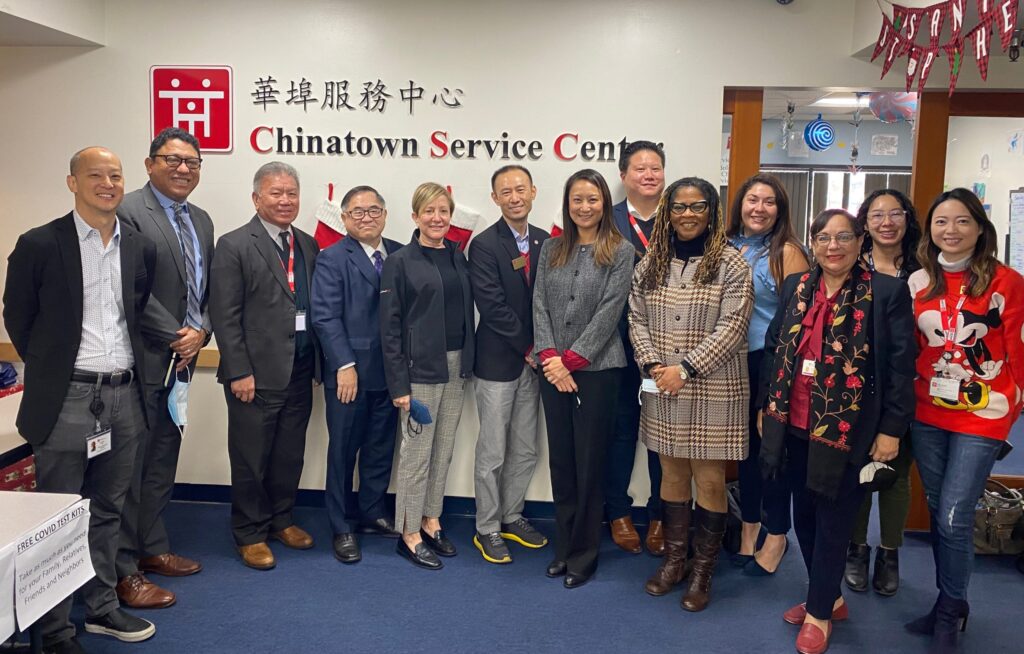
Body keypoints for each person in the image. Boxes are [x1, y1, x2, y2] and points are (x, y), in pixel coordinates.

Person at [3, 147, 157, 653]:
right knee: (58, 515)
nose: (108, 183)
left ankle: (100, 606)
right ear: (72, 182)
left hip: (123, 396)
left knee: (109, 509)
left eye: (115, 175)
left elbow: (132, 314)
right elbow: (19, 317)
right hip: (68, 396)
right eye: (96, 175)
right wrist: (53, 372)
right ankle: (53, 630)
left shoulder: (137, 246)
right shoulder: (40, 243)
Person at [760, 208, 915, 654]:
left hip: (850, 429)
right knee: (802, 518)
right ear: (813, 242)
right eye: (824, 237)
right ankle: (829, 596)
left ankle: (819, 614)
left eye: (843, 237)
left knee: (833, 521)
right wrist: (765, 408)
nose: (833, 246)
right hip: (792, 422)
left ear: (859, 240)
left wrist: (891, 430)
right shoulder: (797, 287)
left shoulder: (886, 292)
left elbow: (900, 369)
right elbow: (775, 347)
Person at [905, 188, 1024, 653]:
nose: (950, 231)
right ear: (930, 229)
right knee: (940, 509)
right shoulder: (919, 282)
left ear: (980, 228)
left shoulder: (1006, 282)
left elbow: (1016, 347)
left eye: (961, 222)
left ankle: (951, 610)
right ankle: (948, 601)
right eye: (940, 222)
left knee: (955, 514)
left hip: (984, 410)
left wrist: (1013, 400)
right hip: (927, 409)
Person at [630, 177, 753, 612]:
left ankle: (703, 570)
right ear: (667, 211)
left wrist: (685, 368)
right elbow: (636, 318)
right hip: (663, 384)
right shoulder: (651, 263)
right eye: (679, 207)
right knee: (672, 474)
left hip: (713, 386)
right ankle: (675, 560)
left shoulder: (732, 263)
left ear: (712, 211)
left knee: (710, 478)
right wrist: (652, 365)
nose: (687, 214)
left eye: (697, 206)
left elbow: (733, 327)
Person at [115, 127, 213, 609]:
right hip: (144, 360)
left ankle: (152, 548)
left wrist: (201, 332)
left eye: (192, 162)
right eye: (173, 160)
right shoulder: (130, 211)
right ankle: (123, 568)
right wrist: (177, 333)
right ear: (150, 163)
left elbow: (206, 291)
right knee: (128, 470)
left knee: (161, 462)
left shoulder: (202, 220)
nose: (183, 169)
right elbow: (130, 288)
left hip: (183, 364)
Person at [209, 162, 321, 570]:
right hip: (253, 376)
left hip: (299, 370)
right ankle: (249, 532)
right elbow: (225, 314)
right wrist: (239, 370)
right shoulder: (235, 244)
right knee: (251, 457)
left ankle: (281, 519)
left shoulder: (307, 244)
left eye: (291, 192)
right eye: (276, 193)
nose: (285, 200)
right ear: (256, 198)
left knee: (289, 455)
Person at [533, 169, 634, 588]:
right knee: (562, 463)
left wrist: (570, 360)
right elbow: (538, 303)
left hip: (597, 372)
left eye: (593, 199)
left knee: (590, 463)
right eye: (577, 199)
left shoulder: (621, 250)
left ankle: (584, 555)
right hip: (552, 371)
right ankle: (564, 548)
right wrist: (550, 358)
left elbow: (611, 312)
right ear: (567, 203)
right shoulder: (552, 248)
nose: (585, 207)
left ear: (604, 203)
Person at [381, 182, 475, 570]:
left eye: (443, 211)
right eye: (429, 211)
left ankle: (431, 519)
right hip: (420, 370)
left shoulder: (457, 255)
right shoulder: (400, 261)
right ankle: (408, 532)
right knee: (417, 454)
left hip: (456, 366)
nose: (437, 218)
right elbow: (389, 327)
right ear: (416, 216)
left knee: (443, 449)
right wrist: (399, 385)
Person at [310, 185, 403, 565]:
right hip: (349, 375)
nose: (367, 217)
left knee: (381, 448)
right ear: (345, 219)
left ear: (385, 214)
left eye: (374, 210)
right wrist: (344, 365)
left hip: (391, 372)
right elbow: (324, 316)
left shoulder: (397, 253)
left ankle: (372, 511)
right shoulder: (332, 258)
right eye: (358, 212)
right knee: (343, 452)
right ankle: (341, 525)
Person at [726, 173, 808, 576]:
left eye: (769, 201)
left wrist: (777, 383)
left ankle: (777, 536)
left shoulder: (788, 252)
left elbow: (797, 325)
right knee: (744, 452)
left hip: (771, 363)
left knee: (772, 455)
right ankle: (748, 530)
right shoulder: (724, 246)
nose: (759, 208)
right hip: (728, 364)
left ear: (780, 209)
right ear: (740, 204)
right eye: (752, 199)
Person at [468, 165, 550, 564]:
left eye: (521, 189)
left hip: (535, 365)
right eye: (506, 191)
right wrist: (530, 347)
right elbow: (493, 307)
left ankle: (511, 515)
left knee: (525, 448)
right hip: (500, 362)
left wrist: (544, 351)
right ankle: (486, 527)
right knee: (493, 452)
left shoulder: (546, 241)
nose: (515, 197)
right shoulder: (483, 245)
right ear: (495, 198)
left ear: (533, 192)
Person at [844, 188, 922, 596]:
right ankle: (856, 549)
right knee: (857, 469)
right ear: (866, 222)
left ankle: (889, 551)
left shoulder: (926, 269)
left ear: (907, 218)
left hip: (911, 384)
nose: (887, 221)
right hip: (858, 385)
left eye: (895, 213)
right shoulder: (853, 265)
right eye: (877, 214)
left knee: (896, 473)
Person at [608, 140, 666, 555]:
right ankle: (618, 512)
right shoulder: (605, 220)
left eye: (656, 168)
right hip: (615, 347)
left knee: (665, 437)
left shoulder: (683, 216)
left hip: (668, 350)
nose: (649, 175)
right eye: (640, 169)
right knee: (620, 432)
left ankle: (663, 514)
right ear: (624, 175)